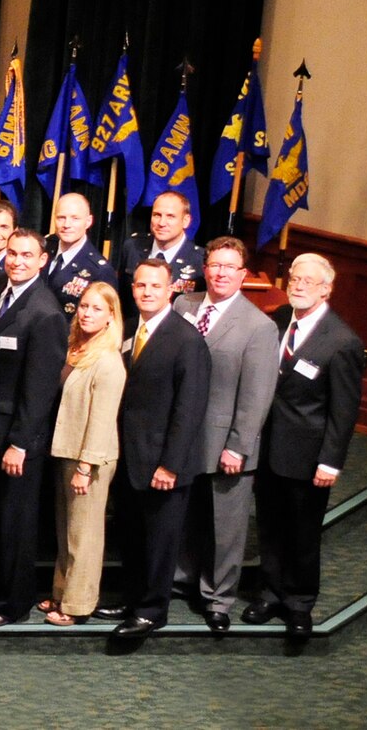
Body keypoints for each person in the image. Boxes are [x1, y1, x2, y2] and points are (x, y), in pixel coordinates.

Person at [248, 253, 366, 640]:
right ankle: (269, 593)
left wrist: (330, 461)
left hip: (308, 455)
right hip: (268, 447)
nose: (297, 286)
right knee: (270, 524)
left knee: (302, 532)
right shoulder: (280, 319)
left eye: (308, 282)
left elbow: (343, 410)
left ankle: (299, 603)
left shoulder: (342, 341)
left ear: (326, 290)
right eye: (294, 279)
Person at [170, 238, 279, 632]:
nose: (220, 273)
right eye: (215, 265)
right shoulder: (183, 305)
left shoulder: (259, 326)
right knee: (184, 515)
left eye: (230, 267)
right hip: (183, 437)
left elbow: (257, 396)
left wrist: (238, 446)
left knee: (225, 527)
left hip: (226, 444)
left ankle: (218, 598)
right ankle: (181, 579)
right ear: (205, 268)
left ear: (243, 274)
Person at [0, 230, 70, 627]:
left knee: (15, 524)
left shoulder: (46, 312)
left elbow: (40, 389)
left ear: (42, 261)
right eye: (12, 253)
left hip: (17, 439)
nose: (17, 261)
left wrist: (21, 443)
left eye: (27, 255)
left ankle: (13, 603)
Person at [107, 258, 211, 638]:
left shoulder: (186, 340)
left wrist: (170, 465)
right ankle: (133, 600)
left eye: (155, 286)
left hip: (163, 464)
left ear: (171, 290)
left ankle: (152, 611)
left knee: (159, 543)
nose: (147, 292)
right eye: (140, 285)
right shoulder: (129, 328)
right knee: (132, 536)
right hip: (130, 456)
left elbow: (189, 409)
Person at [46, 281, 126, 626]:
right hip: (67, 449)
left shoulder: (109, 361)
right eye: (83, 306)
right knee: (67, 531)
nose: (87, 313)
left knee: (85, 536)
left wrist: (85, 466)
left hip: (89, 458)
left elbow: (103, 420)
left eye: (96, 308)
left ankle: (78, 605)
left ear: (111, 316)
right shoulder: (77, 347)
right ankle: (62, 593)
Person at [114, 191, 205, 298]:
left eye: (170, 216)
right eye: (157, 215)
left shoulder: (199, 259)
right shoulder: (132, 247)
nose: (162, 223)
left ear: (186, 221)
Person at [44, 192, 119, 316]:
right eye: (61, 218)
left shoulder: (99, 270)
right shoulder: (43, 248)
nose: (67, 225)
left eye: (75, 218)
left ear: (88, 221)